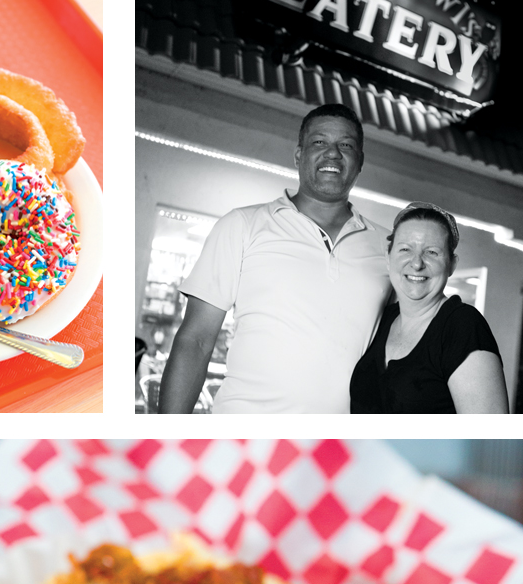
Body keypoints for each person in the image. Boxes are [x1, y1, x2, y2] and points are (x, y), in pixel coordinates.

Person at [158, 103, 392, 413]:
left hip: (334, 452)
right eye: (319, 142)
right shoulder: (242, 225)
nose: (333, 153)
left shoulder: (389, 246)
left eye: (346, 145)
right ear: (299, 155)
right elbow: (196, 341)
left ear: (359, 162)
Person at [350, 203, 508, 414]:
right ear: (388, 258)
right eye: (405, 249)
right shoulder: (382, 318)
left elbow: (490, 440)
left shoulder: (462, 326)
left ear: (452, 264)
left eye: (432, 252)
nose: (416, 263)